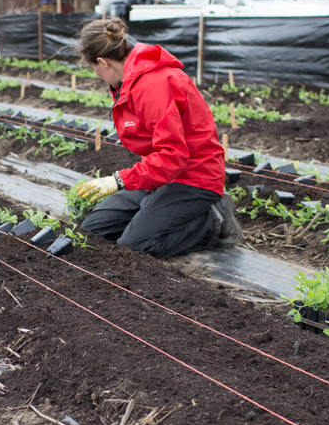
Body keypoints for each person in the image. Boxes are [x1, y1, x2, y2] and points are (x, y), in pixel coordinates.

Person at [74, 17, 241, 259]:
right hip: (162, 177)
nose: (97, 75)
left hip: (195, 178)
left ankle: (212, 222)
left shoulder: (152, 84)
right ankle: (151, 218)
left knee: (134, 247)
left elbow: (174, 155)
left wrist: (119, 181)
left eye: (93, 69)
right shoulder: (131, 79)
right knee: (94, 230)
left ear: (102, 62)